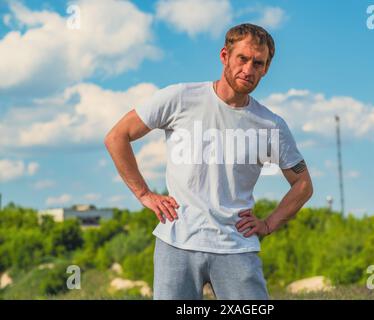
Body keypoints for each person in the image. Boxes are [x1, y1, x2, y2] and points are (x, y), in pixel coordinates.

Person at [104, 23, 313, 300]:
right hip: (177, 240)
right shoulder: (181, 98)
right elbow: (117, 136)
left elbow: (303, 184)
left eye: (258, 63)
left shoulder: (270, 125)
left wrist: (268, 224)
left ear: (266, 69)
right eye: (242, 59)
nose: (248, 69)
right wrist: (144, 194)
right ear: (224, 56)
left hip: (236, 246)